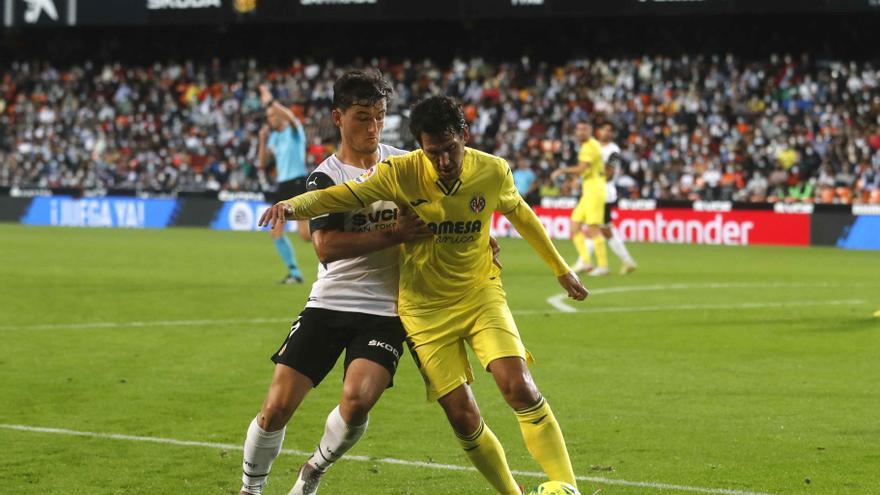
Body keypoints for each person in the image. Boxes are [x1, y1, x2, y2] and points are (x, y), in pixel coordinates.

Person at [261, 96, 589, 495]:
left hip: (479, 294)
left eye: (450, 149)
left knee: (518, 385)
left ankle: (567, 486)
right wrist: (289, 207)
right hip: (422, 309)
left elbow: (520, 213)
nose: (444, 161)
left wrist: (561, 269)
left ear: (463, 136)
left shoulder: (492, 170)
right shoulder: (400, 172)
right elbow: (338, 197)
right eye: (433, 152)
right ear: (420, 145)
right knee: (463, 417)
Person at [239, 71, 434, 495]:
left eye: (380, 117)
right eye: (363, 117)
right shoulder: (325, 177)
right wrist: (393, 235)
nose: (373, 128)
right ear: (338, 118)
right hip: (329, 303)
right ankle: (251, 489)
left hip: (385, 310)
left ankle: (314, 470)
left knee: (359, 400)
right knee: (275, 409)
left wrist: (480, 237)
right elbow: (326, 248)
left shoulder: (405, 165)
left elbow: (446, 207)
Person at [257, 84, 309, 284]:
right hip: (283, 186)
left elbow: (289, 116)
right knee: (275, 231)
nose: (270, 119)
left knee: (305, 236)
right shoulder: (275, 138)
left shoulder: (295, 131)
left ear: (280, 116)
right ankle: (295, 273)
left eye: (272, 115)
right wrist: (262, 141)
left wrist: (270, 102)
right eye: (268, 116)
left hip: (298, 183)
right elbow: (262, 163)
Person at [552, 121, 609, 276]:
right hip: (589, 189)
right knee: (575, 225)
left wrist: (562, 170)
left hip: (595, 190)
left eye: (584, 129)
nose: (580, 132)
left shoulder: (589, 146)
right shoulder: (590, 145)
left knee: (593, 229)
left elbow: (582, 168)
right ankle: (585, 262)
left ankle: (603, 266)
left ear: (590, 130)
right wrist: (576, 180)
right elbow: (585, 170)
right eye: (578, 129)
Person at [581, 122, 637, 275]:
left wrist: (591, 177)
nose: (607, 132)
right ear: (598, 131)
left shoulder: (614, 151)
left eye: (610, 130)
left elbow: (609, 172)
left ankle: (587, 263)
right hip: (594, 191)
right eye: (604, 129)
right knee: (602, 228)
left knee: (597, 227)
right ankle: (626, 261)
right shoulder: (594, 147)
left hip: (604, 192)